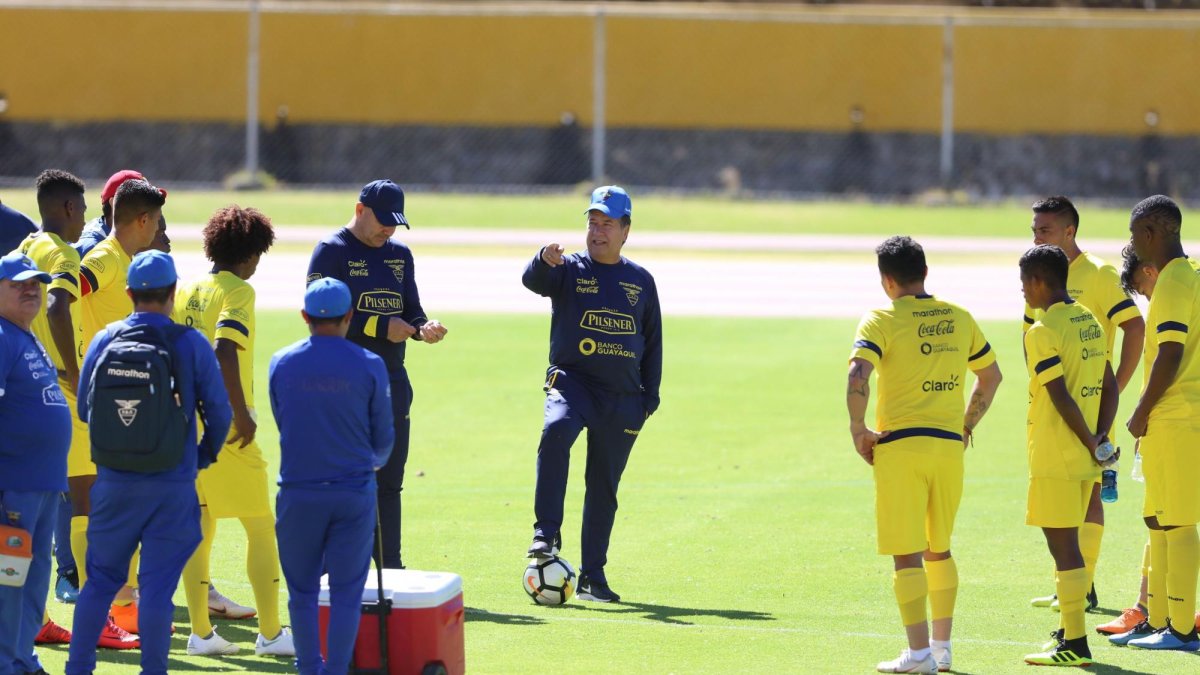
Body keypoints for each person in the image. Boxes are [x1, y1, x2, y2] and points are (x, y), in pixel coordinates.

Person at [67, 250, 232, 675]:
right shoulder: (189, 343)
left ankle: (78, 669)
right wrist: (199, 457)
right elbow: (221, 413)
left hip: (113, 484)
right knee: (158, 589)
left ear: (129, 293)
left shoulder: (106, 338)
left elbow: (87, 410)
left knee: (100, 583)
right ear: (172, 291)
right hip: (171, 483)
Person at [847, 236, 1002, 674]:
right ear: (925, 274)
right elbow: (990, 377)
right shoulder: (960, 317)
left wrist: (859, 429)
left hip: (901, 446)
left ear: (887, 280)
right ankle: (942, 647)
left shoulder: (881, 317)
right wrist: (966, 425)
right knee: (940, 548)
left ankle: (918, 656)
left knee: (906, 552)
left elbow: (859, 372)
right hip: (949, 448)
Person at [521, 185, 663, 603]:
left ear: (626, 230)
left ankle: (592, 578)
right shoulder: (569, 269)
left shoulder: (640, 281)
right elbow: (534, 281)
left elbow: (652, 342)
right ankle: (545, 534)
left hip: (622, 399)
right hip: (573, 384)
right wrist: (542, 260)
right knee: (557, 431)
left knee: (603, 487)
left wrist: (648, 400)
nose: (597, 231)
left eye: (607, 224)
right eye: (592, 222)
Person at [306, 179, 447, 570]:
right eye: (383, 221)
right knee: (342, 478)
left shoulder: (400, 255)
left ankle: (391, 568)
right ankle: (334, 569)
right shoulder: (331, 252)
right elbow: (320, 319)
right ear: (359, 210)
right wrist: (379, 327)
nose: (388, 230)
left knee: (390, 481)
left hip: (392, 380)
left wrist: (423, 327)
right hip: (341, 383)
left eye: (395, 223)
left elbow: (412, 309)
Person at [174, 205, 292, 657]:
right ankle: (271, 634)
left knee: (199, 527)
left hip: (187, 424)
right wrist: (239, 413)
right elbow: (226, 350)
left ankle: (201, 634)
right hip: (225, 426)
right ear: (251, 255)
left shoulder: (187, 288)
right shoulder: (239, 291)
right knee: (262, 526)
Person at [1023, 196, 1144, 614]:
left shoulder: (1098, 274)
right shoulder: (1040, 272)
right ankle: (1072, 588)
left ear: (1070, 231)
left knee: (1092, 495)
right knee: (1068, 500)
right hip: (1056, 405)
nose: (1037, 236)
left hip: (1089, 408)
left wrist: (1115, 389)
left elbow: (1134, 326)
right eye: (1035, 230)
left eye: (1045, 230)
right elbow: (1031, 335)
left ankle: (1083, 586)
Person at [269, 278, 394, 675]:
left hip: (298, 493)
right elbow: (384, 439)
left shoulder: (281, 362)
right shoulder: (371, 364)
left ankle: (310, 668)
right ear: (349, 317)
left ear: (305, 317)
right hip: (352, 493)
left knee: (302, 592)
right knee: (346, 593)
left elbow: (281, 418)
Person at [1017, 245, 1118, 667]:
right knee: (1069, 544)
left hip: (1059, 453)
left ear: (1039, 281)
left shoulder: (1042, 331)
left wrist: (1089, 440)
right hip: (1085, 455)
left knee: (1063, 548)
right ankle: (1068, 632)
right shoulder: (1089, 320)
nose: (1022, 292)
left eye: (1023, 283)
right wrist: (1100, 439)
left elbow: (1059, 397)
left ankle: (1075, 642)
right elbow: (1110, 384)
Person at [75, 178, 166, 635]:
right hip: (105, 398)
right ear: (144, 220)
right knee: (98, 506)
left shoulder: (127, 261)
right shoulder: (104, 260)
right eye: (157, 221)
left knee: (128, 506)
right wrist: (73, 365)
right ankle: (103, 614)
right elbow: (63, 297)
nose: (159, 230)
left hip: (128, 395)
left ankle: (125, 611)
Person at [1110, 195, 1200, 651]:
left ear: (1150, 233)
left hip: (1177, 416)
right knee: (1160, 520)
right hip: (1174, 418)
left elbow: (1170, 351)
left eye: (1133, 234)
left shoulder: (1174, 281)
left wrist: (1141, 408)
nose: (1132, 243)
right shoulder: (1188, 277)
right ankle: (1162, 620)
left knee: (1180, 523)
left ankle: (1182, 630)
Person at [15, 170, 89, 641]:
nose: (84, 218)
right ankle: (89, 607)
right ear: (67, 208)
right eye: (81, 209)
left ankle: (32, 618)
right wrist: (75, 370)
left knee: (30, 513)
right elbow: (60, 306)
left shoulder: (25, 247)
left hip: (27, 391)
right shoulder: (62, 253)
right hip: (60, 395)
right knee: (83, 499)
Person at [0, 253, 71, 675]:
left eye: (36, 283)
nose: (31, 289)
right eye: (18, 283)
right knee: (10, 580)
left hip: (42, 484)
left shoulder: (25, 335)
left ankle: (22, 656)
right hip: (15, 486)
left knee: (31, 579)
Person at [76, 170, 170, 259]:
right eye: (144, 202)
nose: (151, 210)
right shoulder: (95, 251)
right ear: (114, 204)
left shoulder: (123, 241)